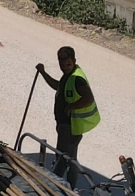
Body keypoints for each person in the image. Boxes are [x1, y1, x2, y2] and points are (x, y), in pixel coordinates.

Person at [36, 46, 100, 179]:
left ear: (74, 61)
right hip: (65, 125)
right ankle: (65, 186)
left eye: (68, 64)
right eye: (62, 64)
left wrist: (72, 106)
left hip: (70, 126)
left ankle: (57, 185)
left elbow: (89, 99)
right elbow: (57, 85)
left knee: (64, 158)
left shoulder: (77, 79)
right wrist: (43, 72)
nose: (65, 67)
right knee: (69, 158)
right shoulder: (68, 76)